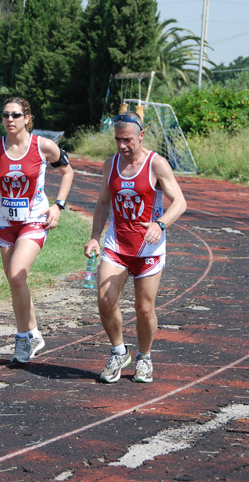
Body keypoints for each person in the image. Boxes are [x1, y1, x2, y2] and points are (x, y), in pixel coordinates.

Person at [84, 111, 186, 383]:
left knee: (144, 309)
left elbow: (180, 202)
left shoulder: (157, 164)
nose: (121, 145)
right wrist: (95, 236)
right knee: (105, 300)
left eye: (127, 139)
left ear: (141, 136)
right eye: (117, 139)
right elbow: (103, 203)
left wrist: (160, 224)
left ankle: (144, 357)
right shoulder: (110, 165)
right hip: (117, 245)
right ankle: (119, 352)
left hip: (148, 250)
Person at [0, 97, 73, 364]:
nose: (10, 120)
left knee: (17, 275)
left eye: (16, 115)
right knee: (16, 282)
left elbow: (68, 173)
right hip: (5, 222)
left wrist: (58, 206)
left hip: (33, 219)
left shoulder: (43, 146)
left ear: (27, 118)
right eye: (5, 115)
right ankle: (34, 333)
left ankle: (22, 338)